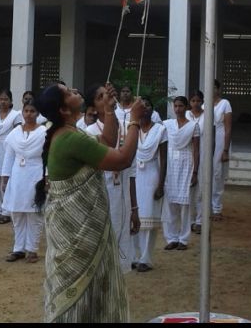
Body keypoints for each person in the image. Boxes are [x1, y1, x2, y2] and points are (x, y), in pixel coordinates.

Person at [34, 82, 144, 323]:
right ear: (64, 110)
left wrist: (109, 110)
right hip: (77, 236)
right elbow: (122, 159)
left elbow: (106, 140)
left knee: (87, 294)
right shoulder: (70, 139)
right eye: (69, 92)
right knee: (77, 296)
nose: (76, 91)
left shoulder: (71, 133)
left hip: (77, 233)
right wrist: (136, 121)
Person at [85, 84, 140, 275]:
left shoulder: (128, 127)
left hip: (121, 199)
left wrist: (134, 208)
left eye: (108, 94)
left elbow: (131, 170)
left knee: (119, 253)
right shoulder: (88, 132)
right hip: (98, 198)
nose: (107, 99)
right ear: (92, 107)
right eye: (101, 97)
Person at [1, 99, 46, 263]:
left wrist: (47, 177)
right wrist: (5, 179)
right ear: (22, 113)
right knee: (17, 212)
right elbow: (8, 157)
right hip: (18, 174)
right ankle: (18, 248)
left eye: (32, 111)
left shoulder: (43, 132)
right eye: (26, 111)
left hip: (36, 173)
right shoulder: (14, 134)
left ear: (38, 113)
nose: (29, 114)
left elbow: (47, 157)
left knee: (34, 212)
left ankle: (32, 249)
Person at [132, 97, 167, 272]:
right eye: (141, 105)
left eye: (148, 105)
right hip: (134, 175)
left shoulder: (160, 130)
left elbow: (164, 159)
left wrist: (161, 185)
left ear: (153, 111)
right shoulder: (132, 129)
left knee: (149, 217)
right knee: (134, 215)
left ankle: (146, 258)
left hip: (152, 174)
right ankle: (134, 256)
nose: (144, 108)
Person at [162, 96, 199, 251]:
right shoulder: (167, 124)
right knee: (170, 203)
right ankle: (171, 237)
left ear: (186, 108)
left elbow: (196, 149)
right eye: (175, 106)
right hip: (170, 164)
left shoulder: (193, 126)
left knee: (184, 203)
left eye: (181, 106)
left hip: (186, 163)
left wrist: (195, 171)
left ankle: (183, 239)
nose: (178, 109)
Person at [0, 89, 22, 224]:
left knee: (6, 180)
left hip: (8, 150)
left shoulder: (15, 115)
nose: (3, 101)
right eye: (1, 99)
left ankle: (6, 211)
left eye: (6, 99)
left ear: (11, 101)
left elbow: (18, 132)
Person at [212, 80, 232, 221]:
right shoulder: (203, 104)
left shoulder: (225, 103)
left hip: (220, 139)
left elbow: (228, 127)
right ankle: (205, 207)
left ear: (218, 89)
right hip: (207, 140)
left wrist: (225, 149)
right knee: (206, 173)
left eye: (214, 87)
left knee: (218, 174)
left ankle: (217, 208)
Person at [186, 90, 205, 234]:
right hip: (188, 154)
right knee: (188, 188)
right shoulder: (186, 115)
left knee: (201, 189)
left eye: (198, 100)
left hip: (203, 154)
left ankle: (199, 220)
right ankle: (190, 220)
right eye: (193, 101)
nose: (195, 103)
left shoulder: (208, 115)